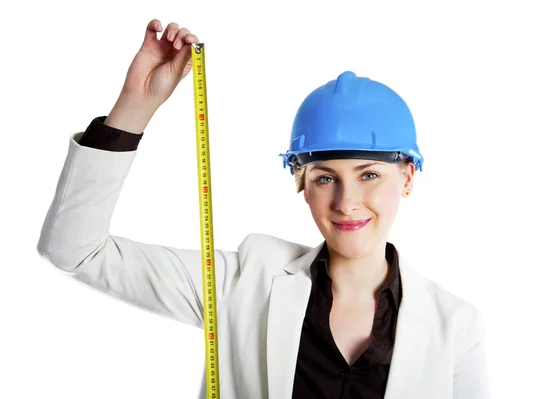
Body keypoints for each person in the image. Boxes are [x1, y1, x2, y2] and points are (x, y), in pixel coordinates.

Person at [36, 18, 492, 399]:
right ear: (301, 183)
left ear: (407, 177)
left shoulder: (456, 326)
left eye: (369, 174)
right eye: (325, 178)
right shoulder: (239, 284)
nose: (347, 201)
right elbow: (76, 250)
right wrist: (136, 106)